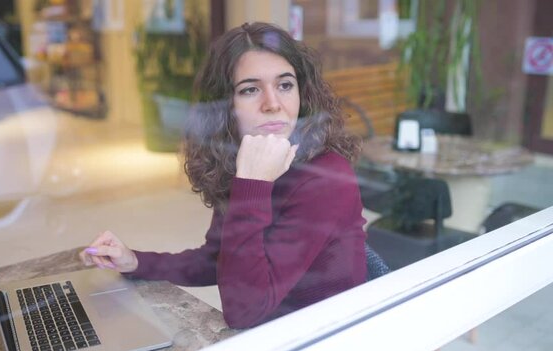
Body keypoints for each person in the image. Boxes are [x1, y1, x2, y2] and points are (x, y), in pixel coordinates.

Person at [80, 22, 367, 329]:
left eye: (285, 85)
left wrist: (252, 186)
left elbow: (244, 311)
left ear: (302, 93)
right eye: (250, 89)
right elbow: (220, 259)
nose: (272, 104)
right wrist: (137, 261)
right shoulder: (246, 158)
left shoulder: (325, 177)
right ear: (225, 106)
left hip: (325, 340)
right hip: (276, 333)